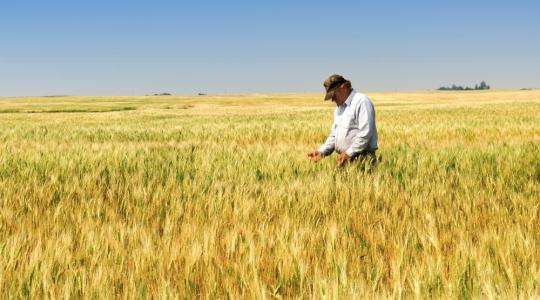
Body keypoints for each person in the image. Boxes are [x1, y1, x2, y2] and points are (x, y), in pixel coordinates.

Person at [308, 74, 378, 167]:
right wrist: (322, 151)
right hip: (343, 160)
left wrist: (349, 153)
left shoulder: (361, 102)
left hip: (362, 160)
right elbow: (334, 135)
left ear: (343, 87)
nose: (332, 99)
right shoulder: (339, 108)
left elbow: (365, 133)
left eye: (333, 95)